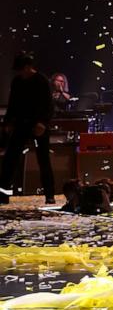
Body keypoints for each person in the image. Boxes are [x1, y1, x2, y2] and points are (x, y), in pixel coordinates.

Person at [0, 52, 55, 205]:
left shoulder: (41, 80)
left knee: (43, 160)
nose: (19, 73)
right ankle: (3, 194)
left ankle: (49, 194)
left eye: (21, 69)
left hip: (38, 125)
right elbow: (13, 104)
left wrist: (43, 123)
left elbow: (49, 105)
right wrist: (8, 122)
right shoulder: (17, 81)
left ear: (28, 67)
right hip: (21, 124)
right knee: (10, 159)